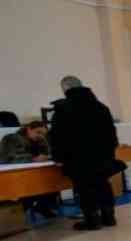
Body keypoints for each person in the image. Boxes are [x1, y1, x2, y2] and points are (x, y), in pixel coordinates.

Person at [49, 76, 119, 230]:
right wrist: (110, 153)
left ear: (65, 89)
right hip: (103, 156)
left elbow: (57, 137)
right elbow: (111, 134)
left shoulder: (64, 108)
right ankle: (109, 217)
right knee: (103, 185)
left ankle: (92, 221)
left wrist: (58, 157)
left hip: (78, 158)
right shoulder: (101, 107)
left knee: (85, 188)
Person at [0, 121, 58, 218]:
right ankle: (26, 208)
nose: (40, 136)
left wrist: (45, 155)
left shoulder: (40, 141)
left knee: (52, 179)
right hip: (12, 174)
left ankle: (41, 206)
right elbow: (12, 158)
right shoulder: (12, 138)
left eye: (43, 134)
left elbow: (47, 153)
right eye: (38, 132)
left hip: (32, 173)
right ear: (29, 129)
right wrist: (34, 159)